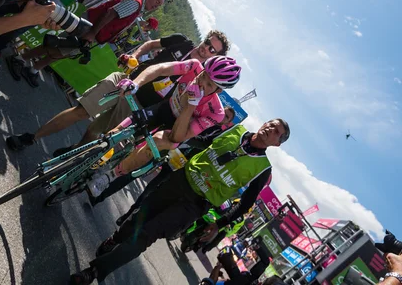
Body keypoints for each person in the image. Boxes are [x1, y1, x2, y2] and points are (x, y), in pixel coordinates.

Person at [69, 118, 291, 284]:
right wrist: (173, 140)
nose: (270, 130)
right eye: (271, 125)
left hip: (194, 205)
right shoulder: (235, 129)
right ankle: (116, 238)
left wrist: (219, 224)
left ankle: (94, 272)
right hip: (180, 180)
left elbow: (245, 205)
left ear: (277, 143)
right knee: (139, 218)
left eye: (276, 132)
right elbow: (203, 141)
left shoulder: (262, 169)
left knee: (148, 234)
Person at [4, 30, 230, 149]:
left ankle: (71, 153)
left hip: (140, 106)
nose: (206, 48)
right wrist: (135, 55)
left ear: (215, 58)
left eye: (213, 50)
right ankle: (32, 137)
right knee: (81, 111)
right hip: (127, 82)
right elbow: (152, 48)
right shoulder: (182, 42)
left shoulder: (199, 76)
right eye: (207, 42)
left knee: (94, 132)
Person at [85, 56, 241, 197]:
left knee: (157, 142)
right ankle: (88, 158)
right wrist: (135, 83)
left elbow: (178, 137)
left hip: (176, 129)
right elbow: (160, 68)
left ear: (218, 90)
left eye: (208, 84)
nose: (201, 82)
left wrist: (190, 106)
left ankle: (110, 176)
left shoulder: (216, 112)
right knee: (117, 131)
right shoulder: (194, 66)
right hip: (164, 108)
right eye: (203, 75)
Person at [5, 0, 164, 87]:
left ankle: (33, 68)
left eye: (158, 6)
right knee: (59, 46)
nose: (155, 6)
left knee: (63, 51)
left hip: (92, 28)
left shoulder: (138, 5)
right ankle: (20, 59)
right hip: (90, 26)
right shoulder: (136, 3)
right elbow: (110, 14)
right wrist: (92, 33)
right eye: (156, 2)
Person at [90, 107, 235, 212]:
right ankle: (94, 174)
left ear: (227, 123)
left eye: (227, 117)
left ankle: (102, 197)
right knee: (128, 156)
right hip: (163, 138)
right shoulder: (204, 116)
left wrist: (185, 134)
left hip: (173, 155)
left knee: (133, 173)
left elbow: (201, 142)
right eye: (224, 113)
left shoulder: (216, 134)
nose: (223, 117)